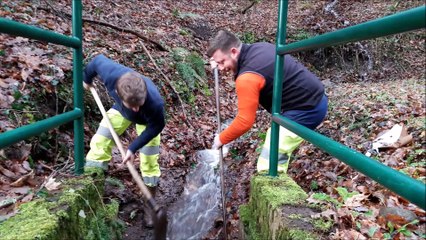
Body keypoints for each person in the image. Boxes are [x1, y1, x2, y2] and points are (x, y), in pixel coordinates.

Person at [208, 30, 328, 173]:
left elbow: (244, 121)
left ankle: (278, 191)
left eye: (222, 62)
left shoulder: (248, 77)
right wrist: (218, 60)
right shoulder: (260, 47)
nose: (220, 68)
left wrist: (221, 139)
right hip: (314, 97)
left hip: (306, 109)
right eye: (218, 63)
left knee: (268, 166)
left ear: (234, 52)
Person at [83, 54, 166, 227]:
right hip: (121, 111)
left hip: (147, 122)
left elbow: (156, 128)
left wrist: (132, 148)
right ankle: (93, 193)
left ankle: (150, 209)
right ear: (119, 96)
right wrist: (86, 79)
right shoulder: (111, 75)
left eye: (139, 104)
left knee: (149, 160)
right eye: (133, 105)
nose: (136, 108)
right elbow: (96, 61)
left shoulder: (155, 104)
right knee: (100, 141)